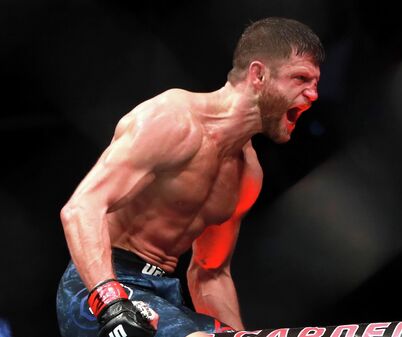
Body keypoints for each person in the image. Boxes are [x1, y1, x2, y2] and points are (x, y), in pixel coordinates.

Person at [56, 16, 324, 337]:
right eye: (300, 79)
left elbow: (210, 273)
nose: (313, 94)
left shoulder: (247, 173)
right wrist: (110, 300)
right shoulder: (173, 119)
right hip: (100, 286)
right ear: (258, 75)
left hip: (164, 295)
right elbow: (82, 208)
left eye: (315, 83)